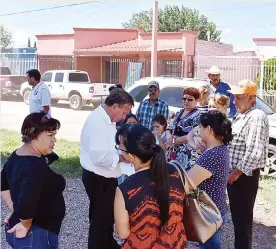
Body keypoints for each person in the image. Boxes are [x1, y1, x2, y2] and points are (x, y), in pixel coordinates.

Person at [114, 125, 187, 249]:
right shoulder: (175, 171)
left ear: (131, 156)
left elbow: (123, 233)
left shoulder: (125, 189)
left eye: (120, 147)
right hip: (176, 240)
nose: (119, 150)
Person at [1, 112, 65, 249]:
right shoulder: (35, 166)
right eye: (50, 135)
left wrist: (14, 208)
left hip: (34, 234)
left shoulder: (19, 154)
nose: (54, 140)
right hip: (36, 236)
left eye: (55, 135)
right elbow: (26, 203)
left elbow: (3, 183)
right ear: (34, 136)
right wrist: (25, 225)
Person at [80, 88, 134, 249]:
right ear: (115, 106)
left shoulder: (107, 120)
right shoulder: (97, 122)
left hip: (105, 176)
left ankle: (106, 243)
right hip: (99, 177)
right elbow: (99, 157)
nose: (124, 117)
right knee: (100, 220)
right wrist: (124, 158)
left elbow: (110, 147)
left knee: (104, 218)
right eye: (124, 113)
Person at [227, 80, 269, 249]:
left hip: (243, 177)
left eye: (238, 97)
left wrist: (235, 173)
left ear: (251, 98)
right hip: (235, 176)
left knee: (243, 224)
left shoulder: (256, 117)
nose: (234, 101)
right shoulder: (242, 115)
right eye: (234, 97)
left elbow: (255, 152)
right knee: (238, 222)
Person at [188, 110, 233, 249]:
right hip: (215, 210)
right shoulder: (220, 149)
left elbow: (189, 183)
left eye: (201, 127)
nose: (199, 131)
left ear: (208, 129)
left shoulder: (212, 155)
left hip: (208, 214)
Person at [165, 87, 202, 169]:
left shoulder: (198, 115)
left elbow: (192, 135)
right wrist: (169, 138)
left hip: (186, 154)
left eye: (190, 100)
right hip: (173, 151)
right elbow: (169, 127)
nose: (186, 101)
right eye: (184, 99)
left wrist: (174, 141)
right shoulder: (179, 112)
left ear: (196, 101)